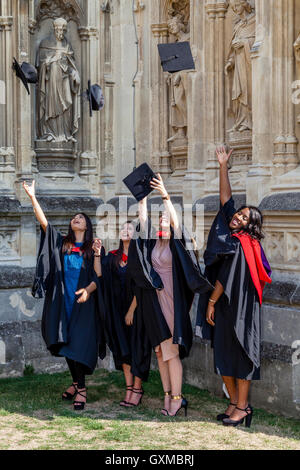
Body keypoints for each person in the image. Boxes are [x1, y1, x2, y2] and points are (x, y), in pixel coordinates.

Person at [196, 146, 272, 428]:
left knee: (241, 354)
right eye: (238, 215)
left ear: (250, 227)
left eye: (243, 218)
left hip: (240, 305)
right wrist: (223, 166)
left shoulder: (243, 244)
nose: (237, 217)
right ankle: (232, 403)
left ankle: (243, 407)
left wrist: (212, 302)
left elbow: (225, 277)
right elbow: (226, 199)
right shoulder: (231, 235)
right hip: (228, 304)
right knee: (223, 352)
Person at [127, 174, 212, 417]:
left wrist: (164, 194)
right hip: (154, 302)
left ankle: (177, 398)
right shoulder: (153, 243)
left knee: (171, 352)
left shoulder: (177, 243)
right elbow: (142, 224)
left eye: (165, 218)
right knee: (159, 351)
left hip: (172, 302)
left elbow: (176, 223)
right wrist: (142, 200)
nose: (162, 220)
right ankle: (167, 395)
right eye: (160, 218)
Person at [23, 180, 106, 411]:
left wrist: (96, 263)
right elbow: (44, 223)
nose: (76, 218)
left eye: (81, 217)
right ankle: (78, 385)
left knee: (79, 345)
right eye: (74, 217)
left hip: (84, 305)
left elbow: (98, 278)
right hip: (63, 302)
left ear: (87, 226)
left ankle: (80, 388)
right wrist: (32, 197)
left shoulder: (93, 248)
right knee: (65, 342)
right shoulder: (63, 244)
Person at [98, 221, 143, 407]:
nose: (125, 230)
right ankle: (129, 388)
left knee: (136, 350)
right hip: (117, 311)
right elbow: (99, 274)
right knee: (123, 350)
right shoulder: (112, 257)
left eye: (130, 228)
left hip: (136, 311)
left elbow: (141, 286)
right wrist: (96, 253)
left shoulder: (139, 257)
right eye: (123, 228)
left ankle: (138, 389)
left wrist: (131, 310)